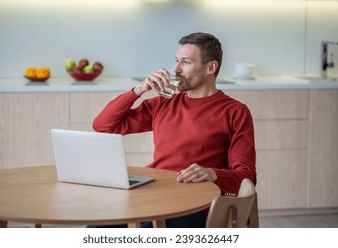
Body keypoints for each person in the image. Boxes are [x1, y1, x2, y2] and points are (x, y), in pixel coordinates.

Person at [92, 32, 256, 228]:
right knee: (96, 228)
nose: (176, 69)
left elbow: (246, 177)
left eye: (185, 62)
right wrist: (139, 89)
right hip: (154, 194)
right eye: (176, 61)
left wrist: (213, 174)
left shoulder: (235, 112)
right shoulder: (164, 102)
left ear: (211, 67)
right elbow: (103, 126)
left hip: (197, 206)